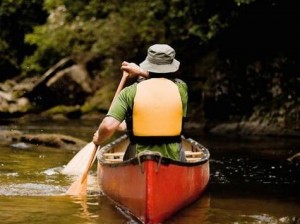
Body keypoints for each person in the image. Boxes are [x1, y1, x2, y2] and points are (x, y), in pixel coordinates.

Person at [93, 44, 188, 161]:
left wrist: (98, 139)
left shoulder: (129, 92)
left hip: (138, 155)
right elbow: (163, 80)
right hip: (174, 155)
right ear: (172, 66)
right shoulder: (181, 88)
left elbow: (108, 126)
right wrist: (140, 71)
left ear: (148, 64)